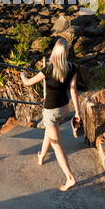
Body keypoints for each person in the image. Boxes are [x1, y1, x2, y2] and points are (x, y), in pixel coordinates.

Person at [20, 38, 80, 191]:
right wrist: (77, 112)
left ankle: (70, 178)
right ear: (66, 52)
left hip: (51, 111)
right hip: (64, 108)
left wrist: (23, 75)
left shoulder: (48, 69)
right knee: (49, 129)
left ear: (54, 50)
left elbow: (28, 83)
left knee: (57, 145)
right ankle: (41, 157)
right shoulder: (72, 67)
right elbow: (73, 90)